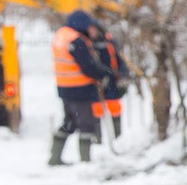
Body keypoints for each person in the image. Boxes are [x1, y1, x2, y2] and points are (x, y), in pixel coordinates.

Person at [48, 10, 116, 166]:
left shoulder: (61, 35)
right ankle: (85, 161)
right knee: (86, 124)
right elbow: (88, 67)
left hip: (64, 87)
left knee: (69, 122)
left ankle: (54, 157)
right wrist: (105, 73)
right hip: (80, 87)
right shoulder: (76, 40)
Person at [90, 19, 130, 141]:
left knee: (114, 106)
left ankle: (118, 138)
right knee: (96, 109)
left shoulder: (109, 42)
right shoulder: (86, 43)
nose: (92, 32)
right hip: (95, 81)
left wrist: (123, 73)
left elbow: (119, 59)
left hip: (112, 79)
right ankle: (97, 139)